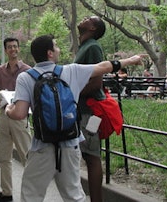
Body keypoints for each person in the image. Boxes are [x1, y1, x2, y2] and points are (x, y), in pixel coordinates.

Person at [5, 34, 144, 202]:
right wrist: (130, 60)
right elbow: (104, 66)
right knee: (74, 195)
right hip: (70, 143)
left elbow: (19, 113)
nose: (58, 49)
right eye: (56, 46)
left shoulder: (26, 77)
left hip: (42, 146)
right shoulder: (71, 71)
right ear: (50, 53)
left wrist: (8, 109)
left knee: (31, 194)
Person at [0, 38, 32, 202]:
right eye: (9, 47)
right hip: (4, 116)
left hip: (20, 117)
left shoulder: (27, 70)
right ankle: (6, 193)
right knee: (4, 158)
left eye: (15, 46)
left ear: (18, 49)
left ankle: (31, 194)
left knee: (27, 156)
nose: (12, 49)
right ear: (5, 50)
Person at [73, 15, 106, 202]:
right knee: (83, 156)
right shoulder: (84, 47)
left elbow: (96, 83)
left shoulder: (93, 46)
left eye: (88, 18)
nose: (83, 18)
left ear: (92, 28)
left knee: (92, 158)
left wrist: (71, 92)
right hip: (80, 111)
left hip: (89, 111)